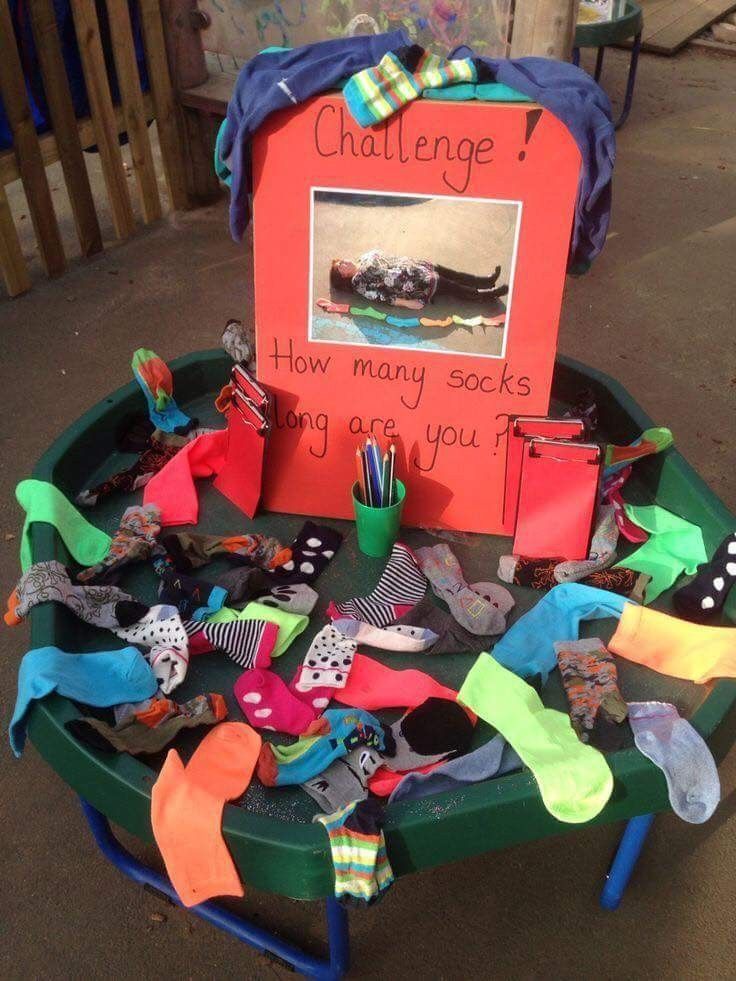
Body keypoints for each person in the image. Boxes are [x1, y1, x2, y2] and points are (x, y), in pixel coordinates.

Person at [330, 249, 508, 309]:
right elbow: (380, 296)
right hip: (413, 283)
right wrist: (408, 303)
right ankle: (488, 295)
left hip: (417, 266)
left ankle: (486, 281)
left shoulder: (363, 258)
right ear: (344, 275)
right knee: (453, 287)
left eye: (341, 261)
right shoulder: (358, 283)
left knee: (455, 274)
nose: (344, 262)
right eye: (341, 266)